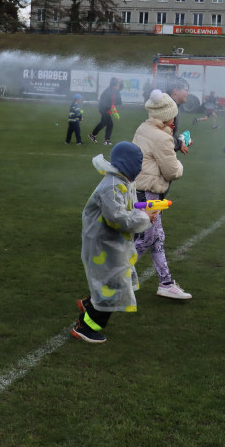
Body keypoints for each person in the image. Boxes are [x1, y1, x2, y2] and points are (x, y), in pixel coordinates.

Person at [71, 142, 154, 344]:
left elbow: (127, 205)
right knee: (113, 286)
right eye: (138, 163)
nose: (140, 167)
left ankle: (89, 303)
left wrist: (144, 208)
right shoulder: (112, 186)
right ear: (129, 164)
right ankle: (86, 326)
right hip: (103, 244)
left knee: (114, 280)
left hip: (111, 243)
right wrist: (144, 218)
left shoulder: (121, 181)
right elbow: (117, 218)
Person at [132, 89, 191, 300]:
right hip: (149, 194)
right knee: (147, 239)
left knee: (157, 238)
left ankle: (165, 282)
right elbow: (172, 172)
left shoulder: (144, 127)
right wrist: (179, 162)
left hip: (140, 189)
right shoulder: (163, 138)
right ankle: (115, 274)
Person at [89, 77, 122, 145]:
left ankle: (92, 135)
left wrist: (113, 108)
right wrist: (109, 110)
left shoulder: (113, 91)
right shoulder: (107, 92)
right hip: (103, 109)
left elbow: (114, 102)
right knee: (110, 124)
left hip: (106, 109)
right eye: (117, 86)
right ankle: (106, 140)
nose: (118, 87)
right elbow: (104, 103)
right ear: (114, 86)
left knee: (103, 123)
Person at [165, 77, 191, 155]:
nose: (188, 93)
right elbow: (164, 137)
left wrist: (180, 141)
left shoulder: (172, 106)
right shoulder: (169, 109)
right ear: (175, 91)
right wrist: (179, 144)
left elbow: (169, 133)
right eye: (186, 90)